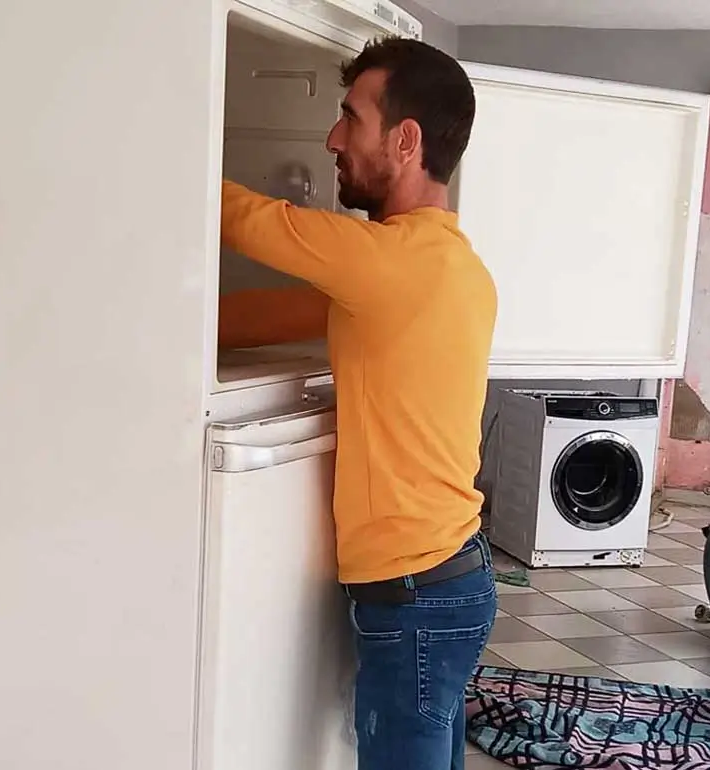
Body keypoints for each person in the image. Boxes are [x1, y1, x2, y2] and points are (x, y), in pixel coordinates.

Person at [218, 38, 497, 770]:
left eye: (351, 117)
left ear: (404, 141)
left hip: (415, 595)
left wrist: (161, 157)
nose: (333, 140)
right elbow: (279, 314)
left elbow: (247, 219)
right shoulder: (447, 266)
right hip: (452, 575)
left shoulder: (387, 261)